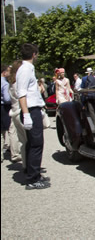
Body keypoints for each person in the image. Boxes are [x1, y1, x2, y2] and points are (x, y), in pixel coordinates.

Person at [16, 43, 50, 189]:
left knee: (34, 144)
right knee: (36, 144)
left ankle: (33, 173)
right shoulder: (25, 69)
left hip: (33, 109)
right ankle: (32, 178)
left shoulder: (27, 68)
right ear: (34, 54)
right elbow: (21, 93)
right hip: (29, 110)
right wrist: (26, 114)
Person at [8, 60, 25, 164]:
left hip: (14, 111)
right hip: (20, 111)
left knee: (22, 141)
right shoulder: (18, 84)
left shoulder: (11, 83)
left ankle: (25, 163)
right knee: (28, 141)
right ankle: (28, 165)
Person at [1, 64, 12, 162]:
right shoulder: (5, 83)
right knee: (10, 129)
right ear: (4, 73)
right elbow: (7, 99)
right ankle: (13, 151)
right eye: (8, 71)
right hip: (4, 108)